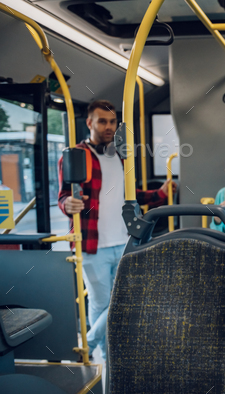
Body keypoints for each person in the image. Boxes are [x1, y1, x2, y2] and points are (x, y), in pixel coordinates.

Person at [57, 100, 176, 360]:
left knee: (120, 300)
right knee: (101, 303)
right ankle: (103, 354)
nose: (109, 127)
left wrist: (160, 194)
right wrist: (69, 204)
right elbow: (64, 196)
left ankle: (93, 347)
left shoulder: (121, 156)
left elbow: (130, 196)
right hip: (92, 244)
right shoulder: (75, 156)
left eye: (112, 122)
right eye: (102, 121)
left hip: (124, 240)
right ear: (89, 123)